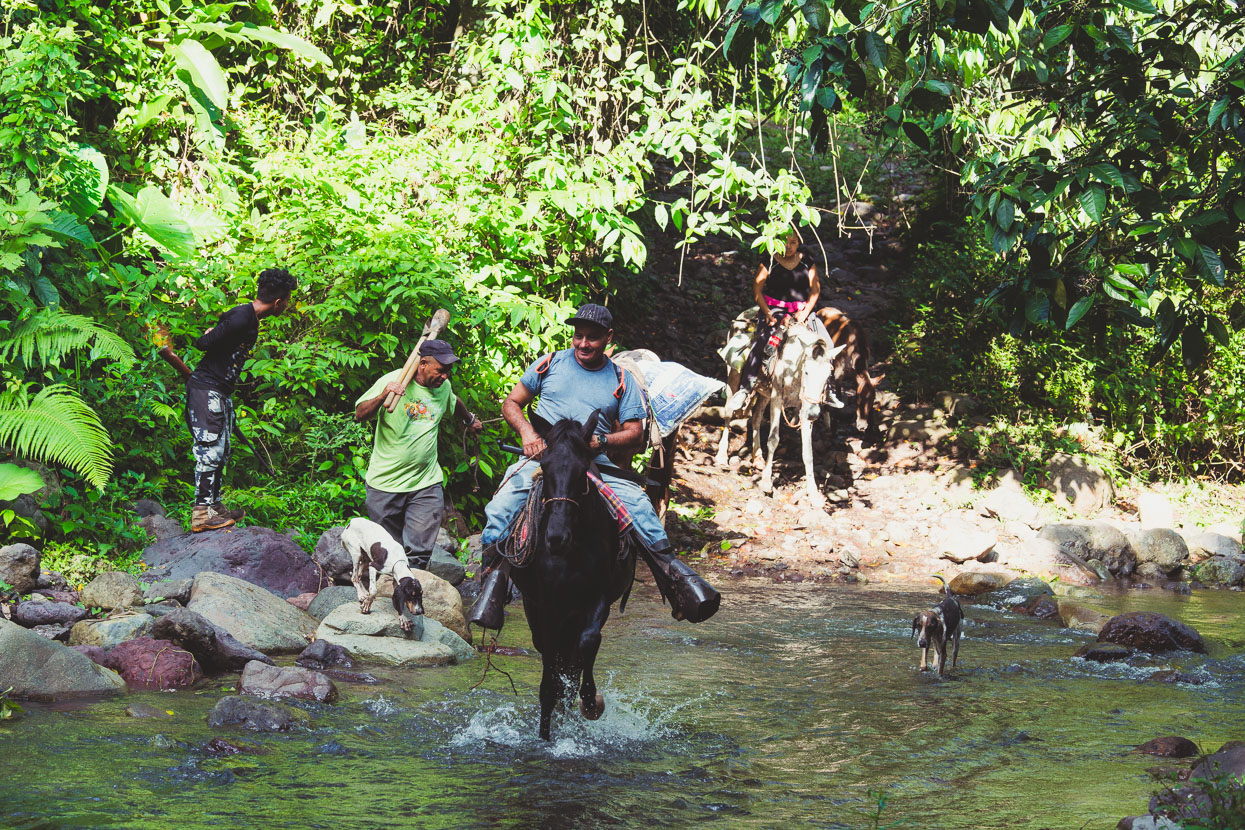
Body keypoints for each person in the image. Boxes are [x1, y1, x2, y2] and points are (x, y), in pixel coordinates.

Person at [469, 303, 720, 627]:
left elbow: (635, 432)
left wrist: (600, 442)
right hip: (542, 456)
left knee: (640, 510)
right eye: (579, 336)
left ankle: (676, 585)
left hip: (592, 461)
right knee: (503, 507)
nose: (583, 343)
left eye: (592, 338)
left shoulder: (620, 378)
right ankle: (492, 583)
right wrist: (528, 433)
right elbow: (512, 403)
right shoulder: (548, 364)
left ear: (608, 339)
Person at [186, 267, 297, 532]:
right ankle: (202, 512)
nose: (288, 305)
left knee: (222, 451)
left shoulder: (248, 318)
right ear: (278, 302)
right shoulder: (240, 317)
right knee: (209, 451)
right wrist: (212, 333)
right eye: (288, 300)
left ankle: (215, 506)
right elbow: (203, 343)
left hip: (220, 391)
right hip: (206, 389)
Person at [355, 339, 484, 569]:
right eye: (441, 370)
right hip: (385, 484)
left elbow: (455, 402)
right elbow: (360, 414)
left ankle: (412, 593)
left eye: (448, 372)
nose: (445, 376)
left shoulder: (443, 387)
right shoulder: (394, 380)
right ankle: (390, 592)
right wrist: (383, 395)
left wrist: (470, 420)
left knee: (418, 555)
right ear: (422, 364)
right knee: (389, 553)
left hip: (425, 482)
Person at [726, 229, 821, 413]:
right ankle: (746, 388)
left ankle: (827, 389)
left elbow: (815, 290)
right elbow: (757, 290)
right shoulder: (769, 261)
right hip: (774, 309)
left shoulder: (807, 261)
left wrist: (807, 311)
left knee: (823, 341)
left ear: (798, 242)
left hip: (802, 311)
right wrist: (768, 313)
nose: (789, 246)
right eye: (785, 242)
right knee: (762, 340)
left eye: (793, 242)